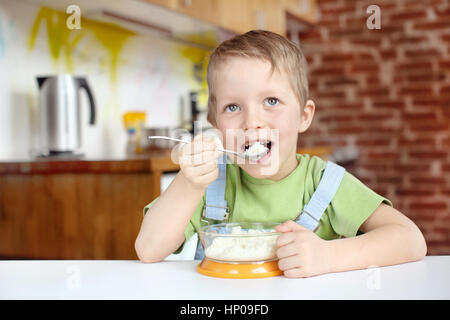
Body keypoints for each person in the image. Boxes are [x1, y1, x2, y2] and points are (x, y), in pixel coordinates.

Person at [135, 30, 427, 278]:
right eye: (233, 107)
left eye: (271, 101)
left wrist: (328, 257)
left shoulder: (325, 183)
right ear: (216, 127)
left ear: (303, 116)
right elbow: (148, 250)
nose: (252, 121)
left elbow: (410, 240)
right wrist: (189, 184)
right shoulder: (209, 184)